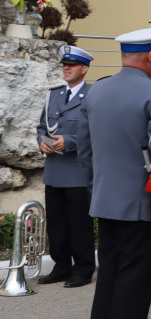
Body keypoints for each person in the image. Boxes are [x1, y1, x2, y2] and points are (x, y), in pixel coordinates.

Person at [78, 27, 151, 319]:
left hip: (105, 201)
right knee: (134, 280)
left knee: (109, 274)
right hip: (140, 203)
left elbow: (84, 147)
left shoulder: (98, 90)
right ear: (150, 57)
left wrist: (96, 191)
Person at [36, 45, 96, 288]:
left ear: (84, 68)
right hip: (54, 171)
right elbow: (42, 126)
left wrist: (69, 142)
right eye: (64, 65)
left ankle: (83, 269)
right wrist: (41, 141)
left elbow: (97, 132)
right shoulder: (54, 95)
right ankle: (61, 267)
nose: (67, 68)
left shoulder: (93, 97)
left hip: (78, 173)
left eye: (71, 65)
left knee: (79, 224)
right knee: (57, 224)